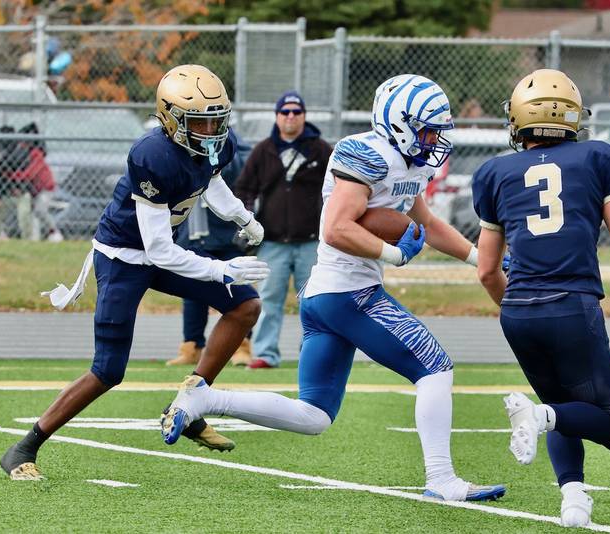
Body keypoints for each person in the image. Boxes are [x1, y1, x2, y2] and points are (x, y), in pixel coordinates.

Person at [161, 74, 506, 503]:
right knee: (435, 367)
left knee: (315, 415)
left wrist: (480, 257)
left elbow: (429, 225)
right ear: (399, 122)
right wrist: (392, 254)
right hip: (349, 293)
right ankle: (442, 479)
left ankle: (203, 401)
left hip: (329, 296)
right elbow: (336, 227)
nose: (434, 138)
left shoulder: (410, 163)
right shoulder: (368, 154)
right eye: (427, 128)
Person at [0, 65, 270, 480]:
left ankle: (189, 405)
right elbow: (159, 250)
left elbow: (209, 181)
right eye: (200, 121)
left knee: (245, 306)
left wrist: (242, 219)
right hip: (125, 257)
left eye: (217, 119)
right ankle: (25, 447)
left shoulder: (216, 143)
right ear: (169, 118)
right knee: (108, 369)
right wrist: (220, 268)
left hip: (163, 250)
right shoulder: (153, 155)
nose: (212, 129)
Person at [471, 69, 610, 527]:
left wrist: (516, 308)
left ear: (518, 120)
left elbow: (488, 270)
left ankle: (573, 500)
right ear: (573, 115)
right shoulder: (600, 156)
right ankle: (539, 419)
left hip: (517, 310)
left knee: (555, 404)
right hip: (572, 305)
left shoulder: (493, 172)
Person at [235, 90, 332, 369]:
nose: (291, 117)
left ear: (304, 116)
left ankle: (313, 355)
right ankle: (265, 353)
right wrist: (249, 216)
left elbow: (338, 189)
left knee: (315, 301)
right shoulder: (263, 150)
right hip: (273, 241)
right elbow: (244, 189)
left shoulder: (321, 149)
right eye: (285, 112)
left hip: (312, 240)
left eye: (296, 112)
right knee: (268, 299)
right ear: (277, 116)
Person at [167, 145, 254, 367]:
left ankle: (241, 346)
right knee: (192, 294)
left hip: (227, 235)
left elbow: (236, 175)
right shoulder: (177, 148)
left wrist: (212, 159)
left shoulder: (235, 147)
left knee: (239, 293)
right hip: (194, 236)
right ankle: (192, 346)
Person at [15, 122, 64, 242]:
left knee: (40, 210)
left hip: (46, 188)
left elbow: (31, 173)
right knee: (32, 213)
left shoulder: (37, 154)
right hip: (34, 190)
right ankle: (34, 238)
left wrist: (15, 177)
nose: (20, 145)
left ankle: (54, 231)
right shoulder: (24, 155)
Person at [0, 125, 33, 240]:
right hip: (4, 193)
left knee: (24, 215)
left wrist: (1, 159)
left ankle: (27, 240)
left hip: (21, 192)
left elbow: (20, 169)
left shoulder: (21, 152)